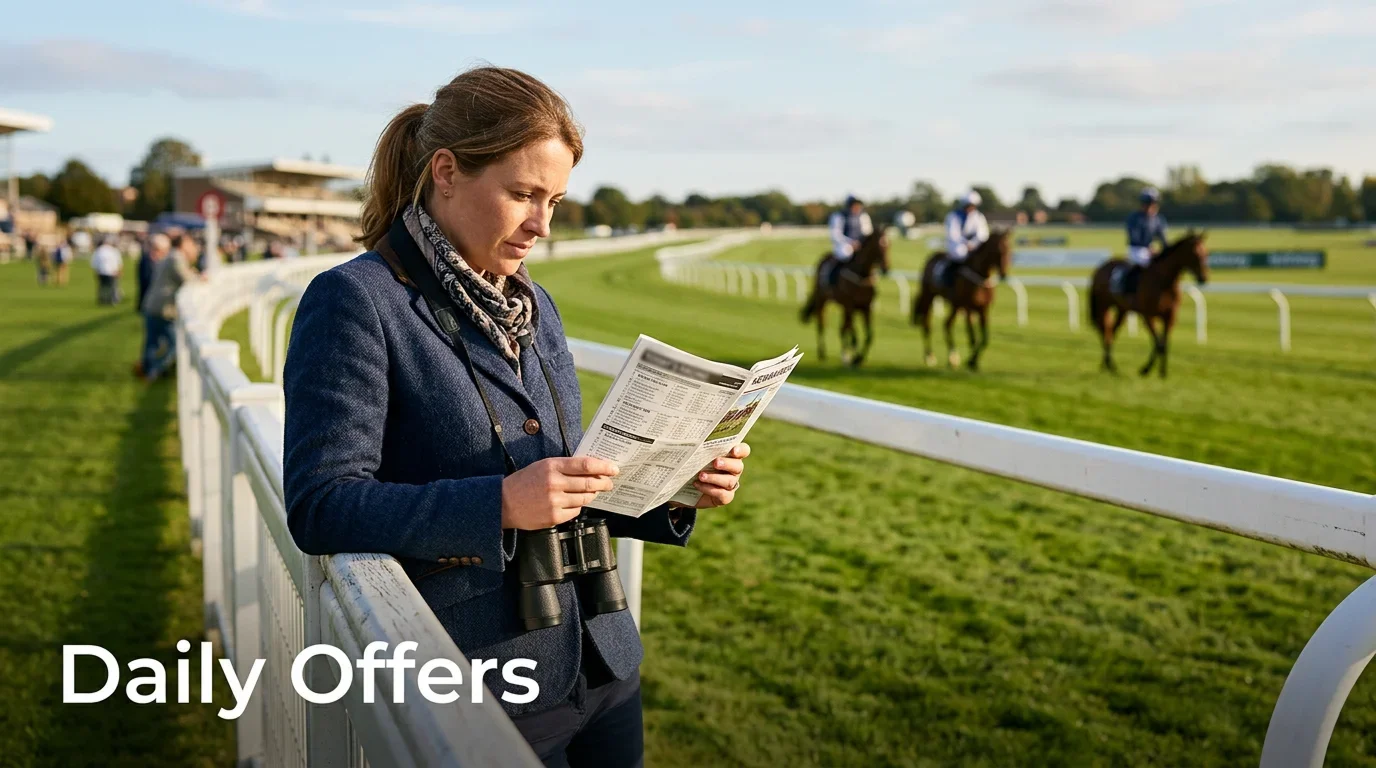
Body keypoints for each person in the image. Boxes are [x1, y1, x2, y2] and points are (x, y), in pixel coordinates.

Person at [281, 66, 750, 767]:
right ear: (446, 171)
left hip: (604, 661)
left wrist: (680, 484)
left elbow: (569, 485)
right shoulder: (356, 301)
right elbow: (321, 505)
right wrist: (499, 503)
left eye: (555, 200)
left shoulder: (536, 303)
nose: (543, 224)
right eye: (523, 194)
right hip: (479, 681)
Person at [139, 234, 201, 382]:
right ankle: (155, 371)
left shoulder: (171, 256)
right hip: (163, 308)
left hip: (153, 305)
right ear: (183, 244)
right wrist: (200, 278)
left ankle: (147, 371)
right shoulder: (176, 258)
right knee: (175, 344)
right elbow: (186, 278)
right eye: (190, 243)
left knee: (152, 343)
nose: (193, 247)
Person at [1120, 187, 1168, 294]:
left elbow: (1163, 239)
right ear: (1142, 204)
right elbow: (1134, 237)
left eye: (1153, 203)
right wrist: (1149, 248)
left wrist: (1165, 250)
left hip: (1150, 250)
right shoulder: (1134, 218)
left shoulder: (1158, 220)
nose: (1151, 206)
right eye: (1148, 203)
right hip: (1137, 250)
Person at [823, 195, 873, 286]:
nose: (857, 208)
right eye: (854, 205)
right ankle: (833, 279)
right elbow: (835, 234)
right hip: (844, 245)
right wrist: (851, 243)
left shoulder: (864, 217)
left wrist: (861, 243)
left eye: (858, 205)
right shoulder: (839, 216)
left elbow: (868, 232)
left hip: (860, 244)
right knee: (844, 253)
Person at [944, 190, 990, 263]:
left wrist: (973, 243)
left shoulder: (979, 217)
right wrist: (966, 244)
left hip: (975, 245)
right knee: (960, 253)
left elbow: (983, 234)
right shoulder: (954, 216)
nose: (970, 208)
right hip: (958, 245)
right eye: (968, 205)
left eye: (972, 206)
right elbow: (954, 235)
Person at [91, 237, 124, 304]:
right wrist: (119, 271)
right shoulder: (114, 250)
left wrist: (97, 271)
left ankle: (102, 299)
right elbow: (119, 262)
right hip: (112, 272)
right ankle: (113, 300)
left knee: (102, 287)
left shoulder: (98, 250)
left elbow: (94, 263)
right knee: (112, 287)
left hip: (101, 272)